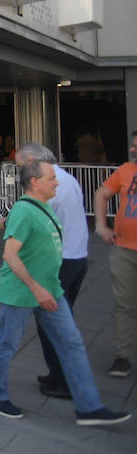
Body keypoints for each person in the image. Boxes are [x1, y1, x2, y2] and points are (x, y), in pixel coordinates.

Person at [0, 156, 129, 425]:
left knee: (72, 343)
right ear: (35, 182)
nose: (57, 182)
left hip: (51, 290)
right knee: (7, 344)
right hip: (23, 293)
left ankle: (89, 406)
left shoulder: (45, 205)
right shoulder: (25, 210)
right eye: (51, 178)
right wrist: (36, 288)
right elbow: (10, 255)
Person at [0, 144, 88, 400]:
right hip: (76, 257)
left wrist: (4, 221)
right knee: (55, 322)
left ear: (33, 161)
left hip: (62, 262)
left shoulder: (51, 186)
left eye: (20, 164)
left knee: (54, 324)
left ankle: (63, 380)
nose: (19, 170)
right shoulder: (65, 178)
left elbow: (33, 217)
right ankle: (57, 375)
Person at [94, 131, 137, 379]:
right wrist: (101, 226)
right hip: (124, 250)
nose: (133, 151)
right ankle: (123, 356)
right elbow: (101, 194)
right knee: (125, 304)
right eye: (132, 146)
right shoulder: (125, 170)